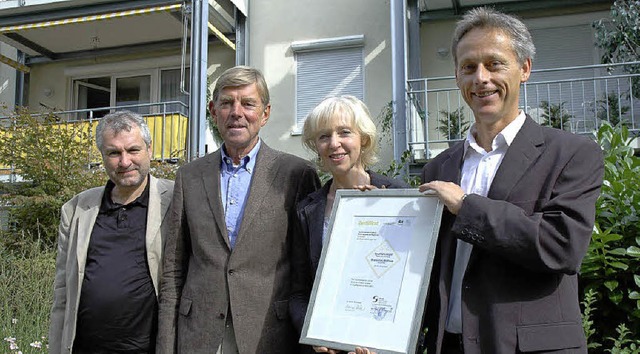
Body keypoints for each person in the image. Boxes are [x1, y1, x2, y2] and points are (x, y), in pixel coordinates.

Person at [418, 7, 604, 354]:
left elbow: (559, 246)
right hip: (451, 346)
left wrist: (466, 207)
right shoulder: (438, 168)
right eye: (469, 67)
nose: (481, 78)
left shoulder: (572, 154)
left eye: (495, 64)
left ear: (525, 69)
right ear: (457, 76)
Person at [156, 66, 321, 354]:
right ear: (213, 110)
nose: (236, 112)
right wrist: (166, 345)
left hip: (269, 334)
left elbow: (307, 268)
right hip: (200, 334)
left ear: (265, 114)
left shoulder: (296, 174)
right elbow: (173, 268)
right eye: (226, 103)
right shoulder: (189, 176)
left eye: (248, 103)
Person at [289, 95, 408, 354]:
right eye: (323, 136)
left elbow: (411, 283)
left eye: (344, 132)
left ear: (363, 138)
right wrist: (312, 334)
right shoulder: (307, 210)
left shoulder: (398, 196)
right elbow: (298, 293)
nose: (334, 144)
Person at [49, 111, 175, 354]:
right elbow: (63, 294)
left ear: (149, 150)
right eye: (114, 153)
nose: (124, 161)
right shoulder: (77, 209)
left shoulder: (176, 199)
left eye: (133, 150)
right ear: (103, 157)